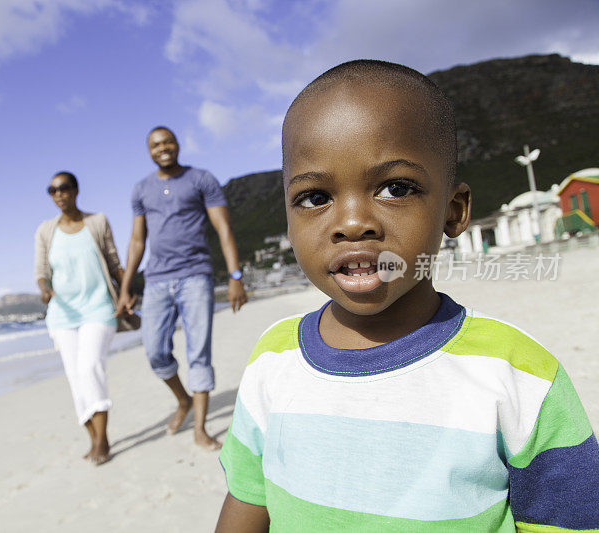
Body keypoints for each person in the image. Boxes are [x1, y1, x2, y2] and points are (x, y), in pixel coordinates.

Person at [216, 60, 599, 532]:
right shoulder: (271, 360)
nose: (353, 222)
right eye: (315, 198)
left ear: (454, 212)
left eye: (396, 188)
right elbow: (248, 499)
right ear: (290, 224)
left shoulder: (520, 375)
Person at [116, 126, 247, 450]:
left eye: (167, 142)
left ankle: (200, 429)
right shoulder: (141, 189)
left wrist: (235, 276)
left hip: (195, 276)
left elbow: (223, 227)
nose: (163, 147)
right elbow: (136, 240)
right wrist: (125, 286)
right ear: (149, 151)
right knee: (155, 352)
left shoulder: (201, 179)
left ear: (177, 145)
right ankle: (183, 400)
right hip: (157, 279)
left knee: (198, 353)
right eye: (155, 144)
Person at [35, 171, 129, 465]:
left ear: (75, 190)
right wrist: (44, 290)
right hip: (62, 315)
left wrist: (127, 291)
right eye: (52, 190)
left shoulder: (97, 222)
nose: (58, 194)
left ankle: (102, 440)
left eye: (63, 188)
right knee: (76, 379)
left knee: (90, 368)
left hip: (99, 308)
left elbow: (114, 261)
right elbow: (41, 272)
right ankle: (94, 437)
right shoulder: (45, 231)